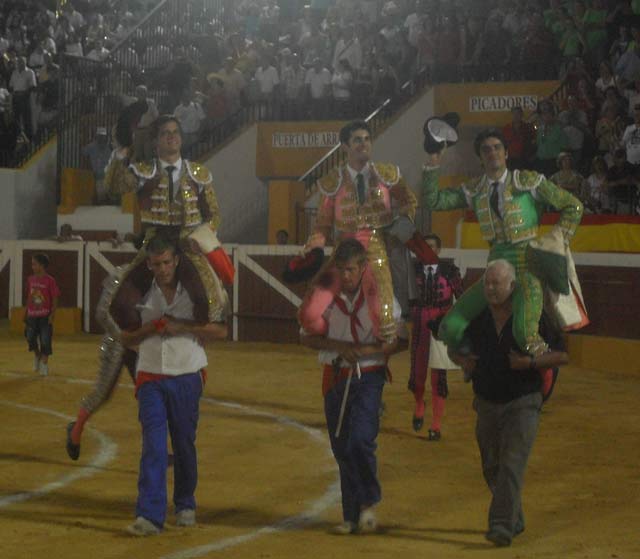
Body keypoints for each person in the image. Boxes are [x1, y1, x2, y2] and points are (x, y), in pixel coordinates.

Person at [65, 115, 233, 461]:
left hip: (186, 248)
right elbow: (113, 186)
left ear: (181, 139)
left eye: (175, 133)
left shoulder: (199, 174)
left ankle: (195, 342)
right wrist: (119, 152)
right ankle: (83, 418)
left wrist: (202, 235)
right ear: (155, 142)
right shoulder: (142, 170)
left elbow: (213, 213)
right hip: (154, 247)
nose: (171, 138)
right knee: (119, 308)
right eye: (164, 135)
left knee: (213, 303)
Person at [422, 128, 583, 357]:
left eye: (497, 147)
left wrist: (556, 241)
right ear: (480, 157)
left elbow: (574, 206)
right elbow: (432, 201)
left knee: (525, 335)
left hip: (529, 264)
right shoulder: (474, 190)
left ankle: (539, 380)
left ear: (506, 153)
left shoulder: (528, 182)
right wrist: (434, 160)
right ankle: (480, 365)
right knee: (450, 328)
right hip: (495, 267)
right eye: (486, 149)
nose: (492, 152)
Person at [449, 259, 569, 547]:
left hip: (523, 401)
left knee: (512, 464)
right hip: (486, 402)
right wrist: (462, 360)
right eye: (487, 283)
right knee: (492, 466)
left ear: (512, 286)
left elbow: (562, 355)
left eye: (496, 283)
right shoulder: (477, 319)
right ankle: (513, 515)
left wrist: (530, 362)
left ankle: (501, 525)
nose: (490, 288)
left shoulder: (533, 316)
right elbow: (455, 348)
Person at [300, 238, 408, 535]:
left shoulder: (382, 296)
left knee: (359, 440)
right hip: (334, 376)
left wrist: (365, 351)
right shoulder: (325, 295)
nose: (345, 276)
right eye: (341, 270)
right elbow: (305, 337)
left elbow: (400, 339)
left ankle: (369, 501)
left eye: (350, 270)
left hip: (369, 376)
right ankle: (351, 516)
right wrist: (339, 346)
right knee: (341, 448)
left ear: (363, 268)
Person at [122, 236, 228, 536]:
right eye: (157, 264)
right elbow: (125, 338)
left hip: (187, 372)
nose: (163, 268)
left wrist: (179, 326)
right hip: (151, 375)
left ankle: (185, 503)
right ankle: (150, 514)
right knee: (153, 445)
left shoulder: (194, 291)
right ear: (149, 264)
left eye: (167, 262)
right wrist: (152, 327)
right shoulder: (139, 293)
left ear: (176, 260)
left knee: (183, 443)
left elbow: (220, 330)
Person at [299, 120, 437, 345]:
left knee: (384, 321)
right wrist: (314, 245)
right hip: (342, 255)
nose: (363, 144)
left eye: (366, 139)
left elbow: (409, 201)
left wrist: (399, 223)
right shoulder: (332, 181)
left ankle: (370, 360)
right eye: (357, 140)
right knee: (309, 315)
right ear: (345, 146)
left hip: (376, 250)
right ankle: (340, 336)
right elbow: (323, 225)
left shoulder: (387, 174)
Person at [407, 233, 462, 440]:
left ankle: (436, 425)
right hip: (420, 323)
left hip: (441, 324)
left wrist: (454, 324)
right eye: (425, 246)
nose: (428, 250)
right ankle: (419, 404)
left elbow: (462, 298)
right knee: (418, 373)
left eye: (432, 246)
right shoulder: (412, 271)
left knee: (439, 376)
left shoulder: (450, 271)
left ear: (438, 250)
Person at [24, 253, 60, 377]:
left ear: (42, 265)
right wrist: (26, 312)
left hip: (45, 315)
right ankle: (37, 355)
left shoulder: (50, 280)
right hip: (31, 315)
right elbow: (29, 296)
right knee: (30, 338)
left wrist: (52, 314)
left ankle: (44, 364)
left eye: (34, 264)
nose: (32, 266)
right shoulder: (30, 279)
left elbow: (55, 297)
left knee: (45, 340)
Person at [82, 127, 112, 204]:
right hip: (98, 174)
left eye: (103, 136)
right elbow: (83, 152)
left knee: (102, 191)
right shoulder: (93, 146)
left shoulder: (107, 148)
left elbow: (83, 152)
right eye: (101, 136)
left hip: (103, 174)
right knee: (101, 192)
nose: (102, 138)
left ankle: (102, 201)